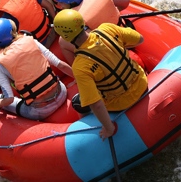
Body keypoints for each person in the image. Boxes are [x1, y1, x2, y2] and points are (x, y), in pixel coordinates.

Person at [52, 9, 148, 139]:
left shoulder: (80, 66)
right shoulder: (107, 29)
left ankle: (90, 126)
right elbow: (139, 39)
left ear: (65, 37)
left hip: (120, 104)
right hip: (142, 83)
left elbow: (96, 104)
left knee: (77, 102)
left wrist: (109, 128)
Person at [0, 18, 73, 120]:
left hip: (41, 111)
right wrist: (77, 78)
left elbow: (9, 99)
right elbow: (60, 65)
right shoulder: (31, 40)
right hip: (62, 93)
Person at [52, 0, 130, 64]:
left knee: (62, 41)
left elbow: (92, 43)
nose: (60, 5)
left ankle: (76, 69)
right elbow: (126, 1)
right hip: (125, 30)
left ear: (71, 2)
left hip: (113, 46)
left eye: (61, 3)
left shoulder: (77, 17)